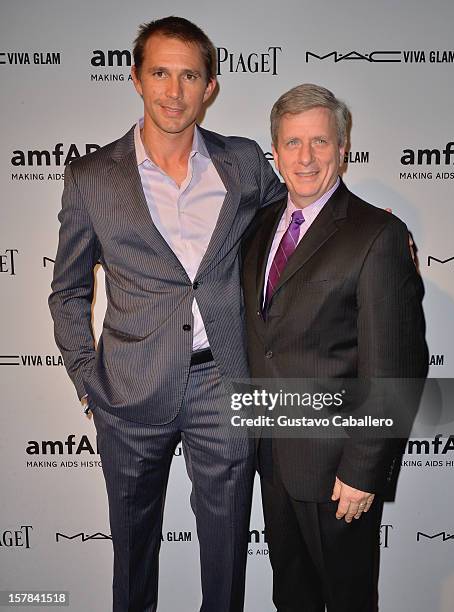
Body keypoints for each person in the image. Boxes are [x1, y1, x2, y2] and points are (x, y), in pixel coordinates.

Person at [48, 16, 285, 612]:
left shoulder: (246, 164)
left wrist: (372, 230)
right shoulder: (92, 178)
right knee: (132, 558)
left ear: (210, 87)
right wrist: (88, 383)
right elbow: (67, 291)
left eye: (189, 76)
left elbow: (300, 233)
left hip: (224, 383)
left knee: (227, 558)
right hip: (128, 391)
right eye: (160, 73)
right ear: (135, 79)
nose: (173, 91)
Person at [242, 83, 428, 612]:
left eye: (320, 142)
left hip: (339, 474)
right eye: (292, 142)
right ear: (274, 151)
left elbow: (397, 365)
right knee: (291, 599)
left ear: (343, 147)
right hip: (272, 459)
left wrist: (364, 470)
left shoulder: (377, 234)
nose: (305, 157)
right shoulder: (258, 227)